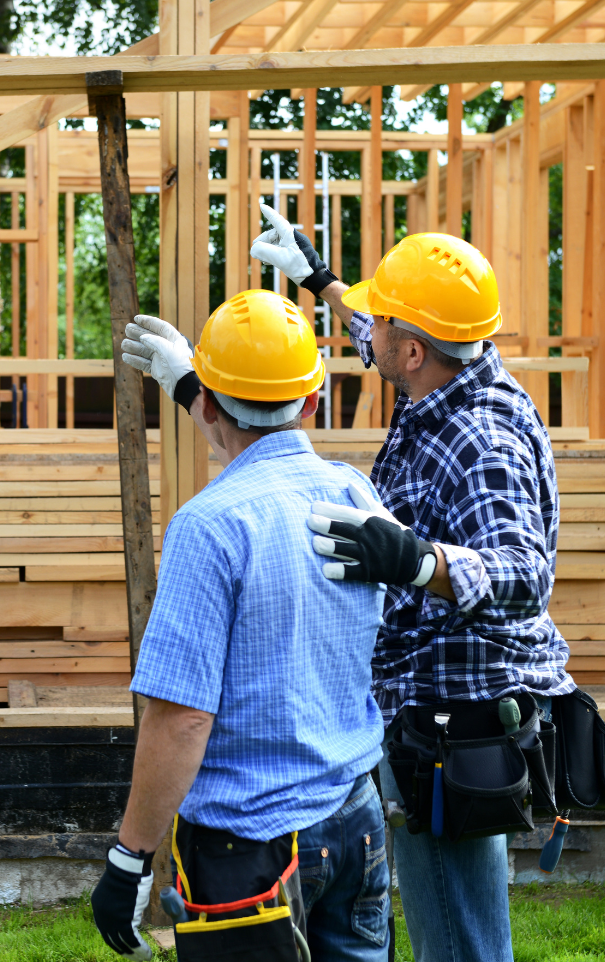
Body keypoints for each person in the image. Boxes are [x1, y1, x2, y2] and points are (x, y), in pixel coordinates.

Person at [246, 211, 574, 961]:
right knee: (447, 917)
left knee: (455, 934)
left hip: (455, 724)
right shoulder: (442, 372)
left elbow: (527, 577)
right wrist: (320, 277)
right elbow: (378, 333)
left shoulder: (480, 440)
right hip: (429, 711)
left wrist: (421, 563)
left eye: (386, 319)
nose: (373, 331)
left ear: (416, 349)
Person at [91, 290, 390, 962]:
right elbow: (265, 446)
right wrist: (189, 384)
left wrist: (129, 858)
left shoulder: (209, 527)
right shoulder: (354, 494)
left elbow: (180, 720)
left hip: (250, 849)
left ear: (210, 404)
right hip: (354, 818)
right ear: (314, 401)